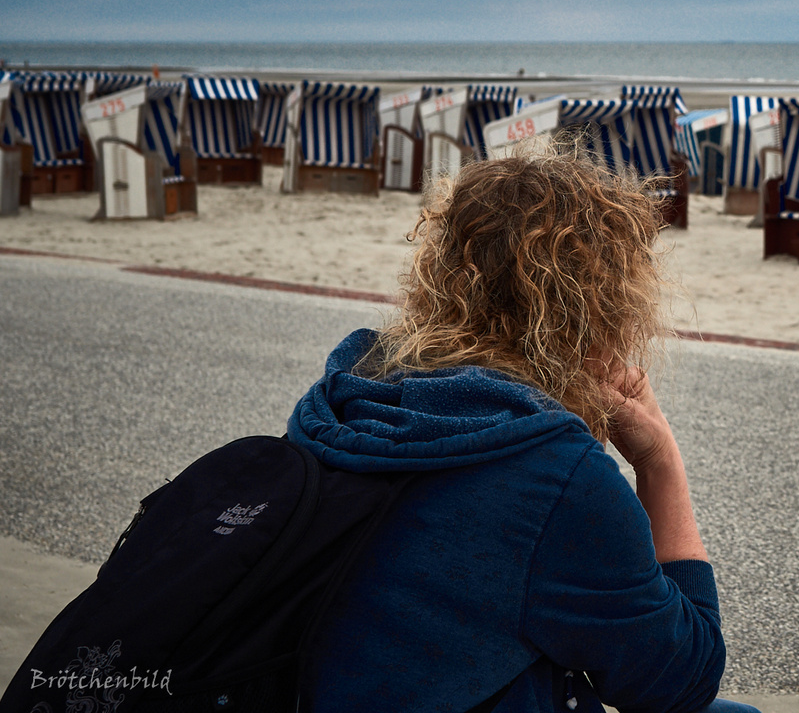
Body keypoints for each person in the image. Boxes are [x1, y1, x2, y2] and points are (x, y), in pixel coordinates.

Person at [287, 151, 759, 713]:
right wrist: (660, 462)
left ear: (440, 269)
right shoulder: (556, 479)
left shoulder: (338, 404)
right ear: (604, 302)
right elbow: (681, 679)